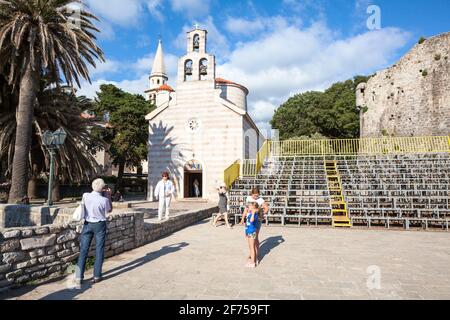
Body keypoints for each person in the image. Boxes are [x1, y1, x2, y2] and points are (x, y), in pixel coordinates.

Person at [75, 178, 112, 284]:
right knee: (99, 249)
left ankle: (78, 277)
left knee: (83, 250)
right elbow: (109, 210)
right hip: (99, 224)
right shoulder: (104, 200)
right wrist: (108, 196)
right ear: (102, 188)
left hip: (87, 224)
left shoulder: (85, 195)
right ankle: (97, 276)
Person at [240, 187, 269, 264]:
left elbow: (266, 208)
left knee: (255, 237)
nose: (255, 197)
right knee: (249, 237)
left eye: (257, 195)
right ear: (251, 194)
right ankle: (252, 253)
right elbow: (246, 209)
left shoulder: (261, 200)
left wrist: (261, 214)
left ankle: (255, 253)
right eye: (254, 195)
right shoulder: (248, 198)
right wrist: (243, 218)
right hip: (249, 220)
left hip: (256, 220)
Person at [243, 201, 259, 268]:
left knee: (252, 247)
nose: (248, 207)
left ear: (253, 207)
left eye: (249, 206)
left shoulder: (254, 214)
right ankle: (253, 259)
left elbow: (252, 220)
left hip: (252, 232)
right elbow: (247, 222)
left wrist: (253, 213)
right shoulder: (249, 213)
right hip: (248, 231)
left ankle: (253, 263)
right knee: (250, 247)